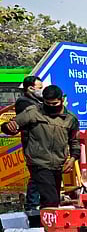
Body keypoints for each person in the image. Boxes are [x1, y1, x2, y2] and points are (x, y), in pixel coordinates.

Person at [1, 86, 79, 210]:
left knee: (51, 200)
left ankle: (41, 224)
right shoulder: (33, 112)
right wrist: (8, 126)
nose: (51, 106)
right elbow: (11, 126)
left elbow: (74, 141)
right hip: (38, 162)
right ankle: (50, 227)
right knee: (51, 200)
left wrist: (73, 158)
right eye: (47, 103)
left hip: (58, 165)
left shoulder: (71, 119)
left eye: (54, 103)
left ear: (61, 101)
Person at [15, 76, 43, 217]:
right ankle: (32, 207)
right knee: (37, 175)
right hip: (32, 144)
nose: (41, 91)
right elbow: (37, 115)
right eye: (40, 88)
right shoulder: (23, 102)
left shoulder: (38, 101)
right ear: (30, 88)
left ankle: (40, 205)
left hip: (43, 144)